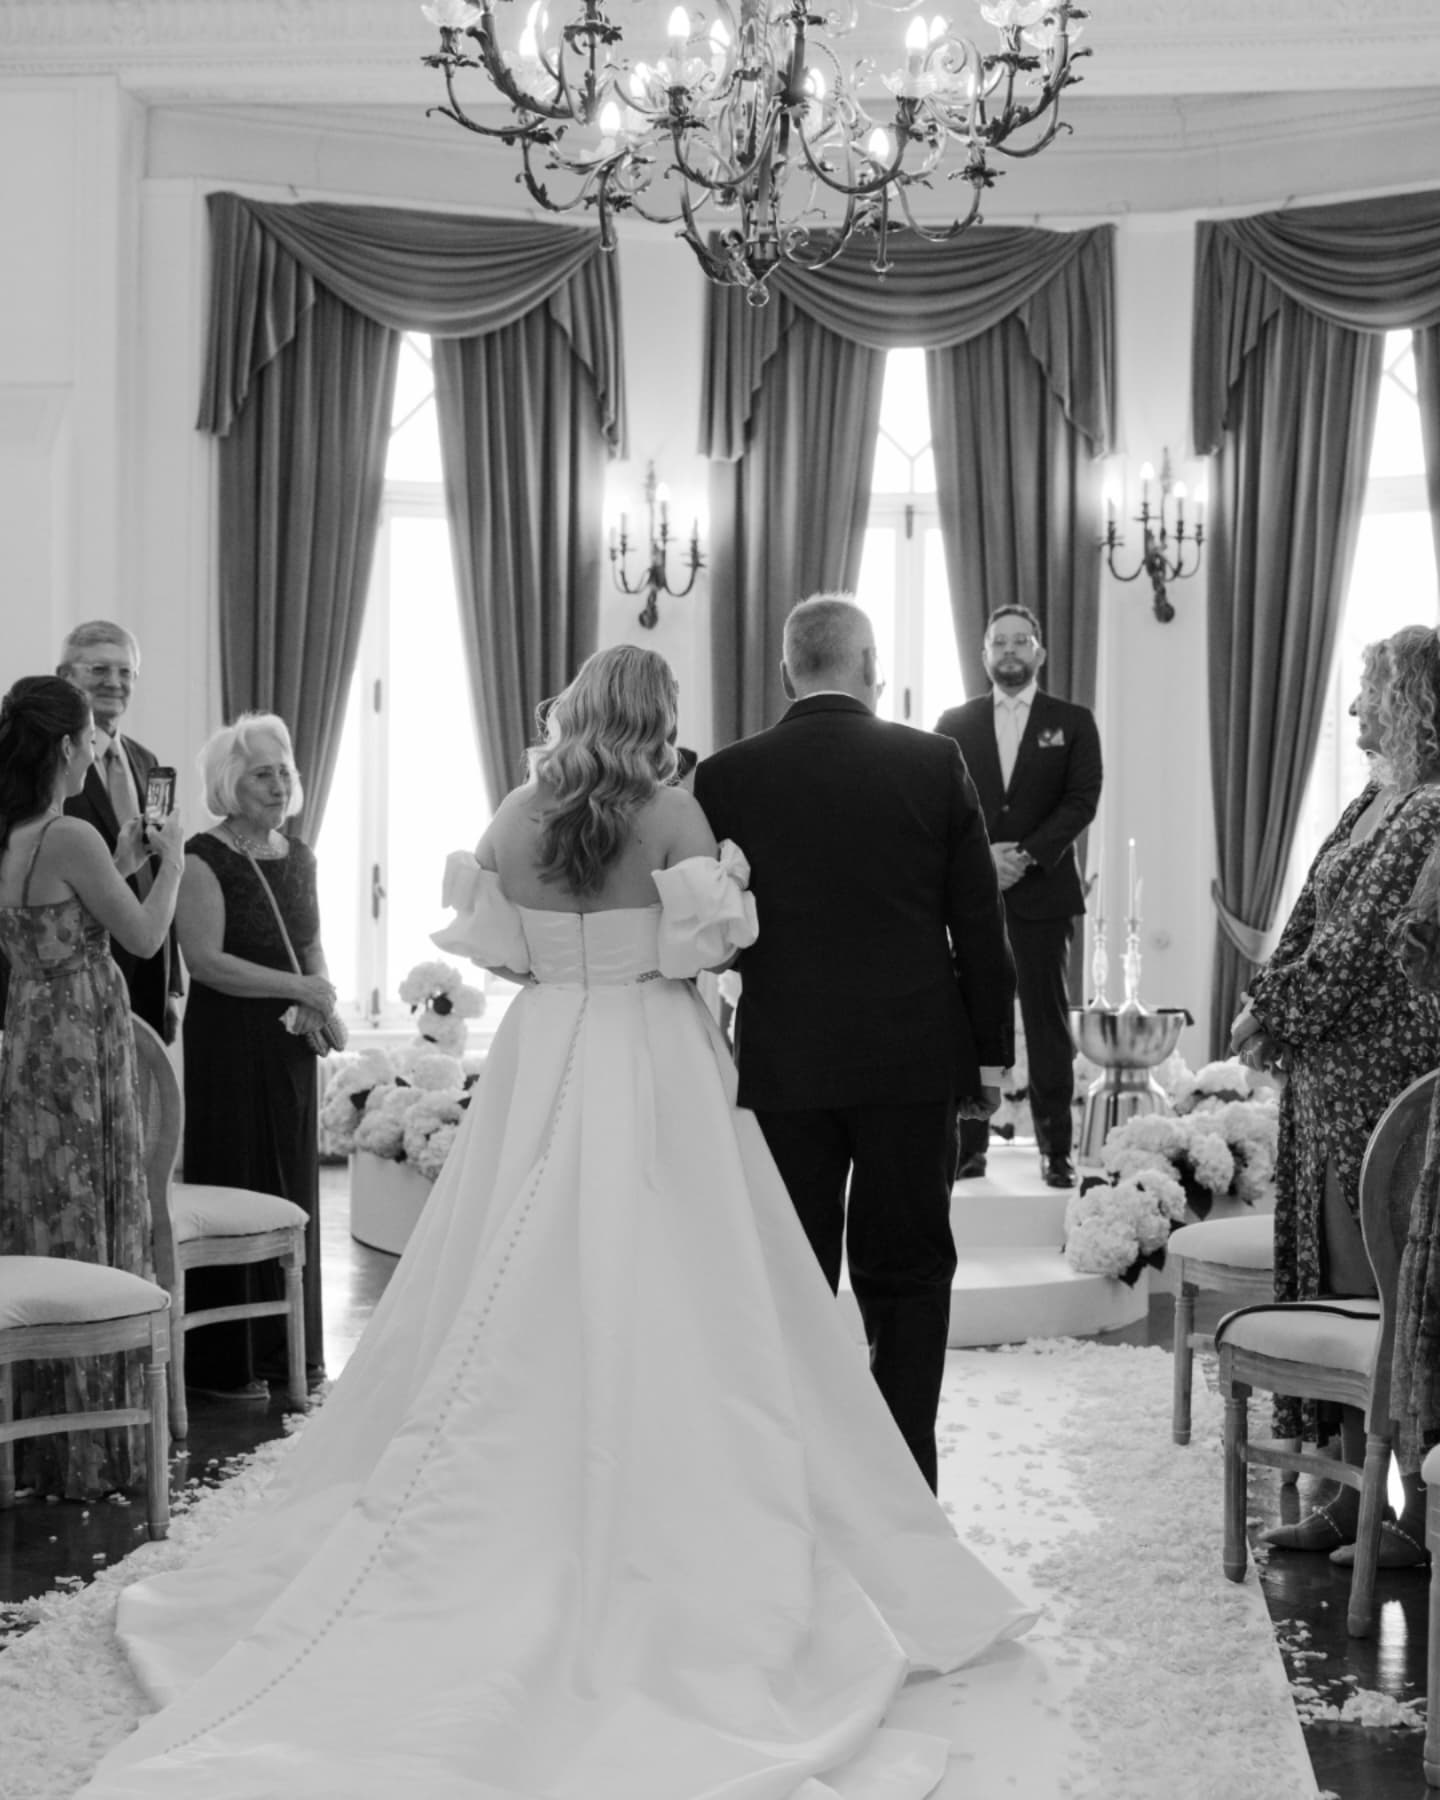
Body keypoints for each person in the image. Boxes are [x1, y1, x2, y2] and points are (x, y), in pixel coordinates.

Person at [75, 644, 1032, 1800]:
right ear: (657, 717)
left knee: (501, 1270)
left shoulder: (519, 812)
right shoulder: (674, 812)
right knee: (701, 1281)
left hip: (545, 1053)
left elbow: (504, 949)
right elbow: (715, 946)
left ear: (573, 711)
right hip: (656, 1051)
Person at [696, 596, 1015, 1490]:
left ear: (789, 669)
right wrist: (989, 1055)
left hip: (785, 1061)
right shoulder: (933, 760)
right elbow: (976, 922)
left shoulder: (727, 778)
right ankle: (903, 1476)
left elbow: (709, 928)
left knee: (791, 1275)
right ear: (870, 665)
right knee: (908, 1271)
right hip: (912, 1059)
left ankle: (794, 1469)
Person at [1231, 627, 1440, 1564]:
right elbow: (1310, 918)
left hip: (1378, 1084)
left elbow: (1355, 950)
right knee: (1329, 1289)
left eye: (1368, 693)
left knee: (1379, 1295)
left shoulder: (1429, 812)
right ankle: (1341, 1500)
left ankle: (1404, 1522)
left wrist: (1269, 1011)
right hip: (1325, 1082)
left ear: (1413, 702)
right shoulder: (1374, 798)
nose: (1354, 712)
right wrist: (1273, 1002)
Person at [0, 675, 185, 1499]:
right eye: (89, 743)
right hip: (82, 1039)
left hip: (31, 1035)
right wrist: (172, 860)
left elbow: (62, 911)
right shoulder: (69, 830)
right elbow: (141, 937)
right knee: (97, 1211)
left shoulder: (19, 834)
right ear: (69, 747)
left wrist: (126, 861)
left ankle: (39, 1438)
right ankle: (96, 1443)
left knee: (47, 1211)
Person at [173, 713, 338, 1401]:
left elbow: (312, 943)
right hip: (230, 1041)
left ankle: (290, 1354)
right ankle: (225, 1364)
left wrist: (324, 1003)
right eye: (262, 773)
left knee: (293, 1186)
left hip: (290, 1040)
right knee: (241, 1177)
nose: (278, 784)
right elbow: (207, 963)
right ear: (229, 784)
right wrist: (298, 986)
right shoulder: (201, 857)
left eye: (285, 771)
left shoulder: (298, 855)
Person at [934, 605, 1103, 1189]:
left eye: (1020, 641)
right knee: (973, 1019)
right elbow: (940, 802)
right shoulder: (953, 722)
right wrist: (984, 859)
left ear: (1039, 652)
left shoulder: (1073, 721)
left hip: (1044, 894)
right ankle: (969, 1147)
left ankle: (1057, 1151)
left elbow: (1083, 799)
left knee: (1047, 1022)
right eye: (998, 642)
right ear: (983, 654)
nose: (1009, 651)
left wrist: (1025, 855)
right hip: (973, 896)